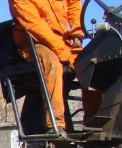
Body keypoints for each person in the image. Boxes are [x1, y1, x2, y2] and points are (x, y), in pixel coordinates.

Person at [10, 0, 99, 135]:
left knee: (92, 63)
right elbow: (35, 26)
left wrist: (76, 31)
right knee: (52, 64)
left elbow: (74, 4)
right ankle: (55, 125)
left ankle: (94, 126)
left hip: (63, 41)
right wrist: (63, 52)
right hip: (34, 42)